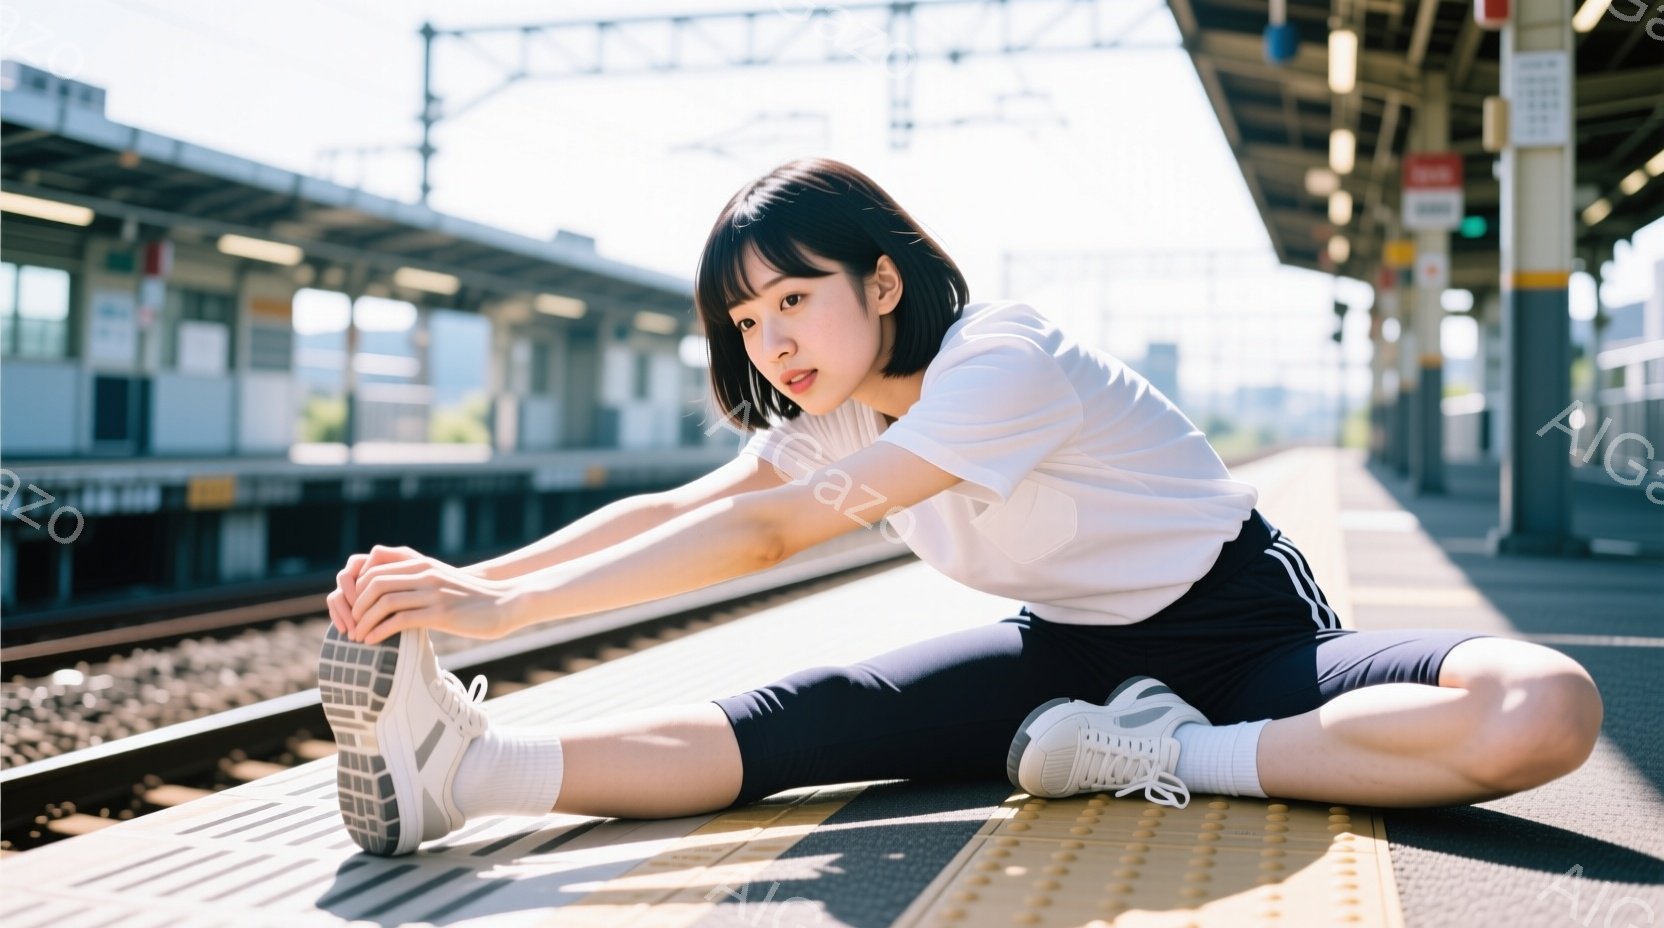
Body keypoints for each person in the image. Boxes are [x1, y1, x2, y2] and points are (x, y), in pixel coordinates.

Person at [318, 157, 1604, 858]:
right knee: (815, 718)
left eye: (791, 298)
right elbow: (694, 503)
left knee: (1542, 705)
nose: (769, 339)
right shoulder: (834, 405)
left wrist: (505, 606)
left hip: (1247, 634)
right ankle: (466, 776)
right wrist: (471, 575)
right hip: (1072, 657)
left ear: (881, 281)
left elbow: (777, 531)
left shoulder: (1002, 359)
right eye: (744, 319)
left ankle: (1163, 753)